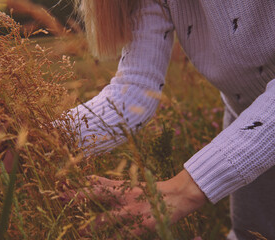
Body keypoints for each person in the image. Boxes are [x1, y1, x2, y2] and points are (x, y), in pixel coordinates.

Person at [63, 0, 275, 239]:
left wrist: (184, 188)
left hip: (244, 145)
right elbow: (134, 89)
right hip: (244, 133)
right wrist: (44, 137)